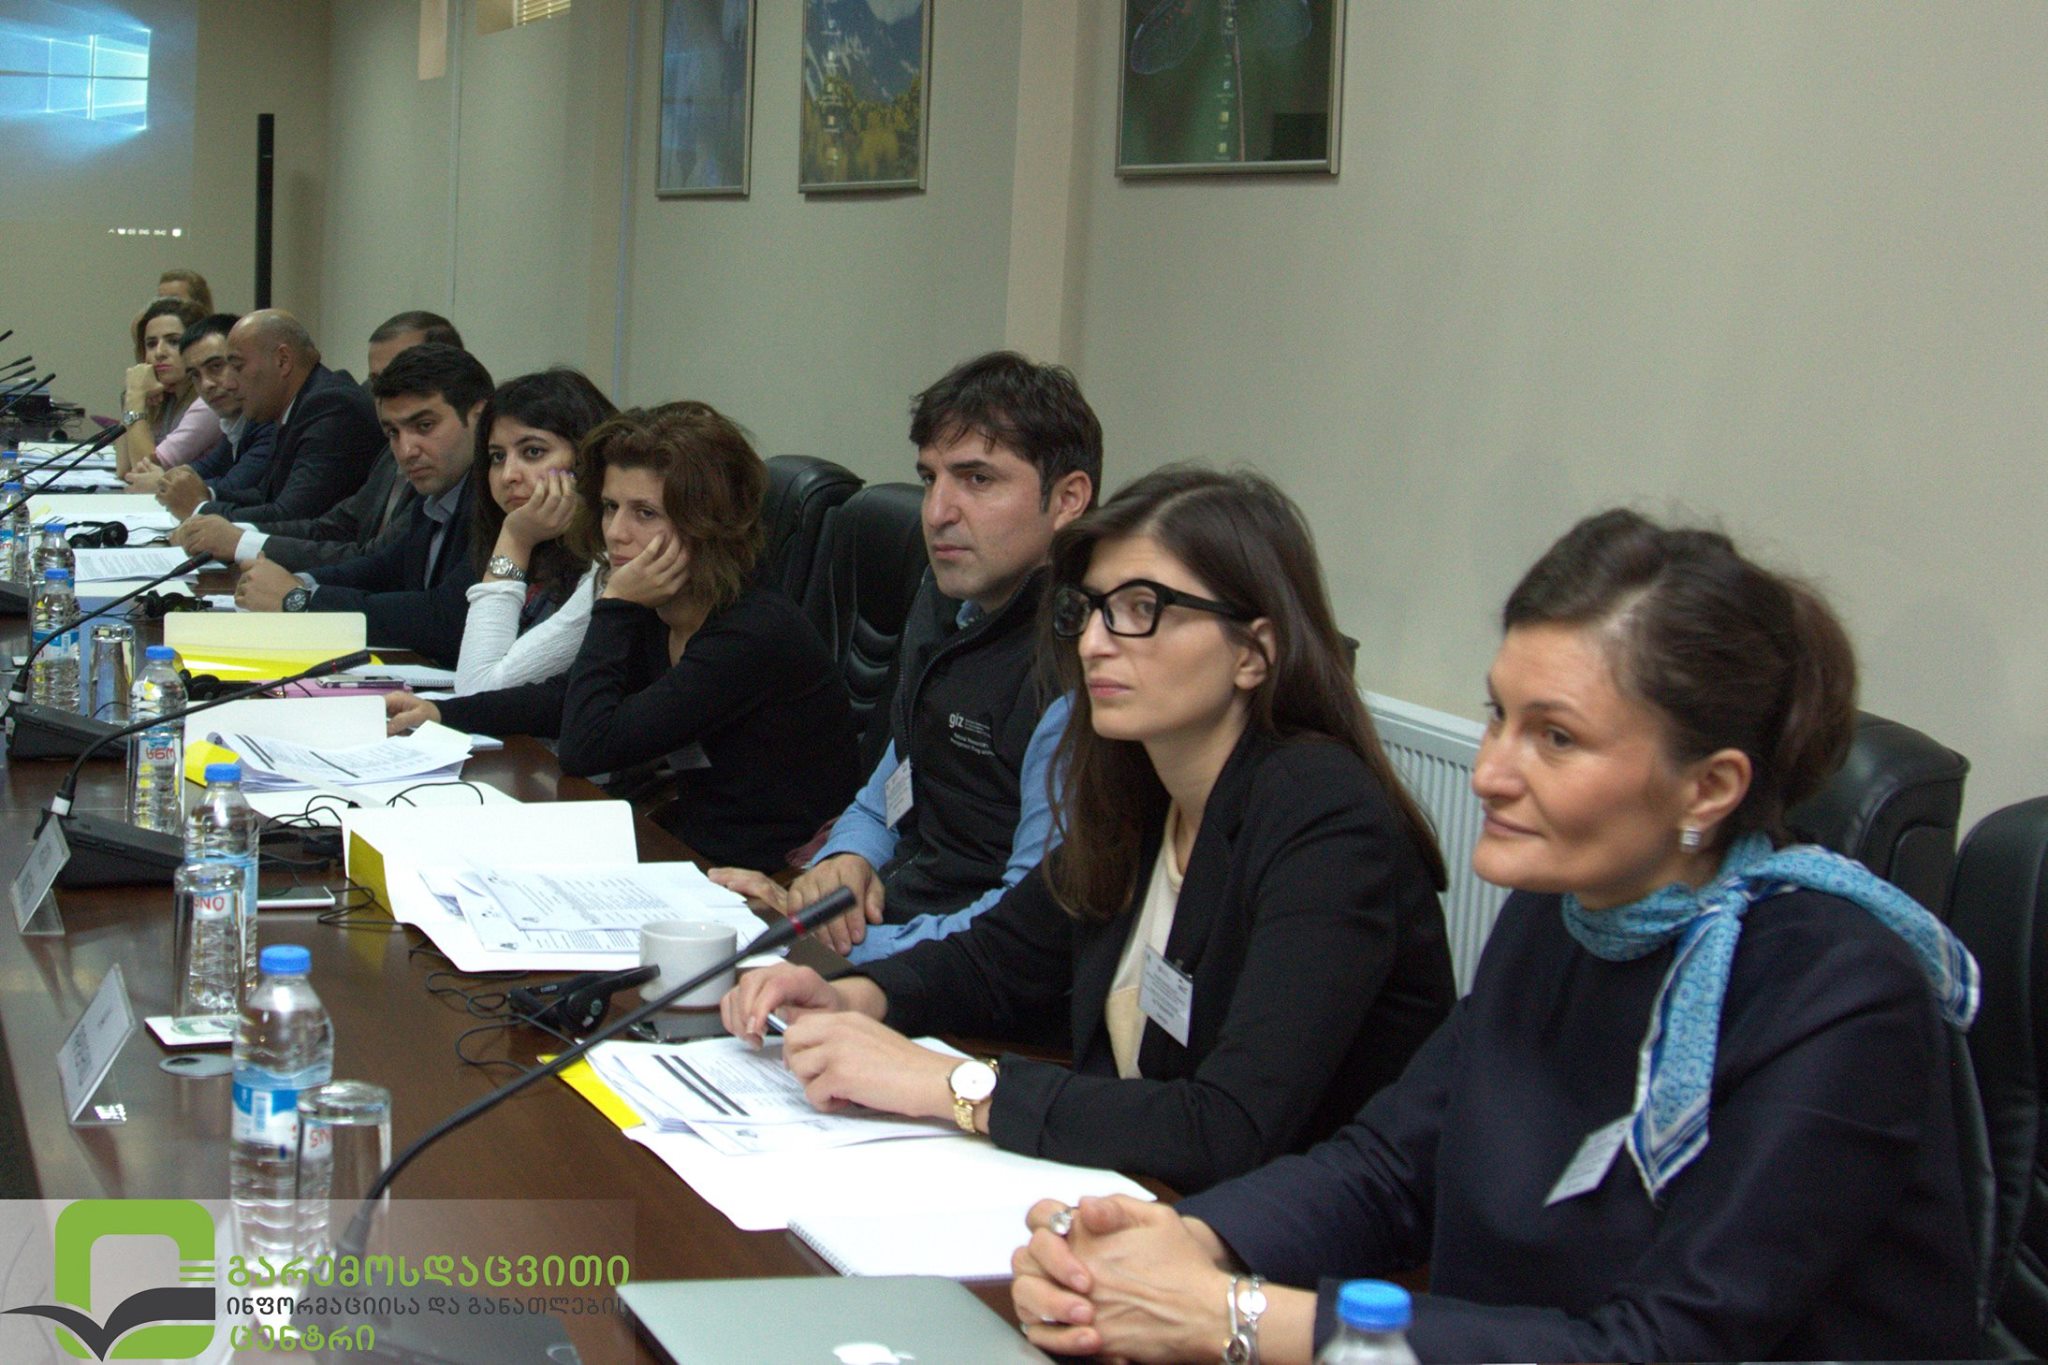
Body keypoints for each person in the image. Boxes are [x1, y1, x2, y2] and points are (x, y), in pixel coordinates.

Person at [1007, 508, 1983, 1363]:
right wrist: (1191, 1240)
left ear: (1710, 787)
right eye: (1498, 716)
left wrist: (1235, 1317)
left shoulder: (1843, 997)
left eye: (1554, 737)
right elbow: (1389, 1169)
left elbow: (1657, 1348)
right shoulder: (1563, 911)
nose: (1489, 773)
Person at [720, 467, 1456, 1195]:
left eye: (1141, 608)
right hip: (1137, 1199)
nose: (1096, 642)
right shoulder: (1142, 787)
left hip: (1291, 1245)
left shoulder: (1326, 820)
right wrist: (856, 998)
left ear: (1253, 652)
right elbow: (999, 957)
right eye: (1091, 610)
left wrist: (951, 1084)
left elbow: (1230, 1126)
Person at [710, 351, 1102, 962]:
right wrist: (846, 857)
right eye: (929, 479)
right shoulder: (951, 602)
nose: (938, 513)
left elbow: (1029, 934)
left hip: (967, 980)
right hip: (900, 931)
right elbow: (890, 785)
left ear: (1069, 498)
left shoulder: (1087, 670)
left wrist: (822, 947)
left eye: (977, 480)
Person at [388, 401, 862, 874]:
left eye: (645, 513)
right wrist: (444, 713)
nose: (616, 533)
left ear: (707, 523)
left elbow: (588, 746)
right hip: (690, 842)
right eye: (611, 507)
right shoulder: (667, 605)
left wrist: (614, 607)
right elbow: (565, 699)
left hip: (770, 877)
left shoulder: (750, 633)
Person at [232, 344, 492, 667]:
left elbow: (446, 618)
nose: (406, 450)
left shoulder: (498, 500)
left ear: (480, 418)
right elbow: (382, 568)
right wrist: (299, 580)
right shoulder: (440, 492)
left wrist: (302, 600)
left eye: (424, 426)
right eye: (393, 432)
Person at [169, 311, 464, 571]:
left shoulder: (333, 406)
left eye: (406, 378)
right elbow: (338, 525)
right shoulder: (391, 449)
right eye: (378, 382)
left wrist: (227, 530)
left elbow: (374, 561)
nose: (385, 396)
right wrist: (232, 533)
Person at [453, 367, 617, 694]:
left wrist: (514, 540)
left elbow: (478, 691)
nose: (508, 475)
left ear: (587, 457)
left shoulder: (612, 561)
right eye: (497, 457)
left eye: (533, 452)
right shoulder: (538, 545)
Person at [158, 310, 382, 525]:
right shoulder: (294, 405)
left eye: (238, 367)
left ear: (282, 360)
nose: (230, 383)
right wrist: (208, 495)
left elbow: (291, 516)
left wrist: (200, 508)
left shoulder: (331, 407)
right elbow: (266, 495)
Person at [123, 314, 277, 502]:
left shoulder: (268, 421)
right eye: (195, 375)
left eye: (216, 366)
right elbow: (202, 469)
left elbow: (235, 486)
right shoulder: (235, 423)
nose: (206, 384)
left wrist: (135, 397)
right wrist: (132, 397)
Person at [117, 296, 218, 476]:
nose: (159, 353)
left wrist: (135, 397)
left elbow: (144, 471)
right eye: (151, 344)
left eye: (173, 341)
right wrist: (133, 397)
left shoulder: (208, 404)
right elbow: (125, 469)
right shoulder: (164, 398)